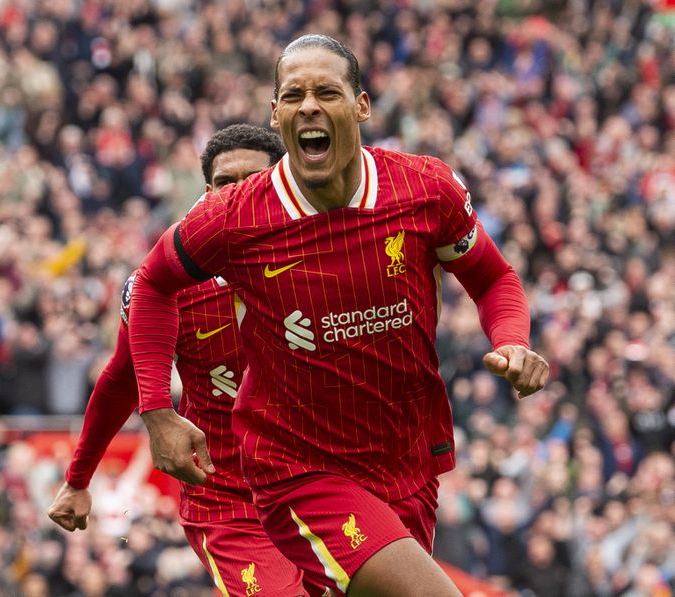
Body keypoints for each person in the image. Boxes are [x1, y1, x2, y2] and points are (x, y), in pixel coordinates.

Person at [128, 34, 550, 597]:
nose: (309, 106)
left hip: (405, 458)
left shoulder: (425, 189)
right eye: (293, 94)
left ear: (361, 105)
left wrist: (514, 338)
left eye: (326, 91)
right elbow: (152, 283)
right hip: (299, 466)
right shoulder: (236, 216)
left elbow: (493, 278)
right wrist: (158, 412)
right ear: (276, 114)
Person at [46, 124, 306, 596]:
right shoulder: (164, 282)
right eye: (228, 183)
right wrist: (78, 479)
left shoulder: (318, 258)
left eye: (257, 180)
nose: (242, 193)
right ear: (208, 193)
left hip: (320, 480)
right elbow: (120, 380)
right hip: (228, 498)